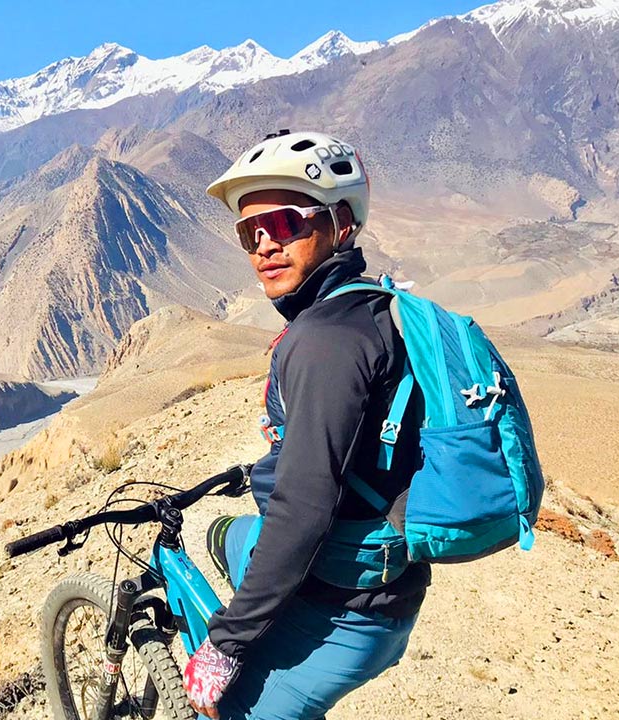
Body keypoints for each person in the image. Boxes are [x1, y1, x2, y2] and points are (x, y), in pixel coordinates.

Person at [182, 130, 431, 720]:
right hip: (377, 575)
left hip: (349, 611)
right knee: (224, 534)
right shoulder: (364, 305)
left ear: (341, 223)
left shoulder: (325, 341)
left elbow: (303, 509)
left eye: (285, 223)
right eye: (250, 232)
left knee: (228, 710)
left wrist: (226, 644)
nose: (265, 245)